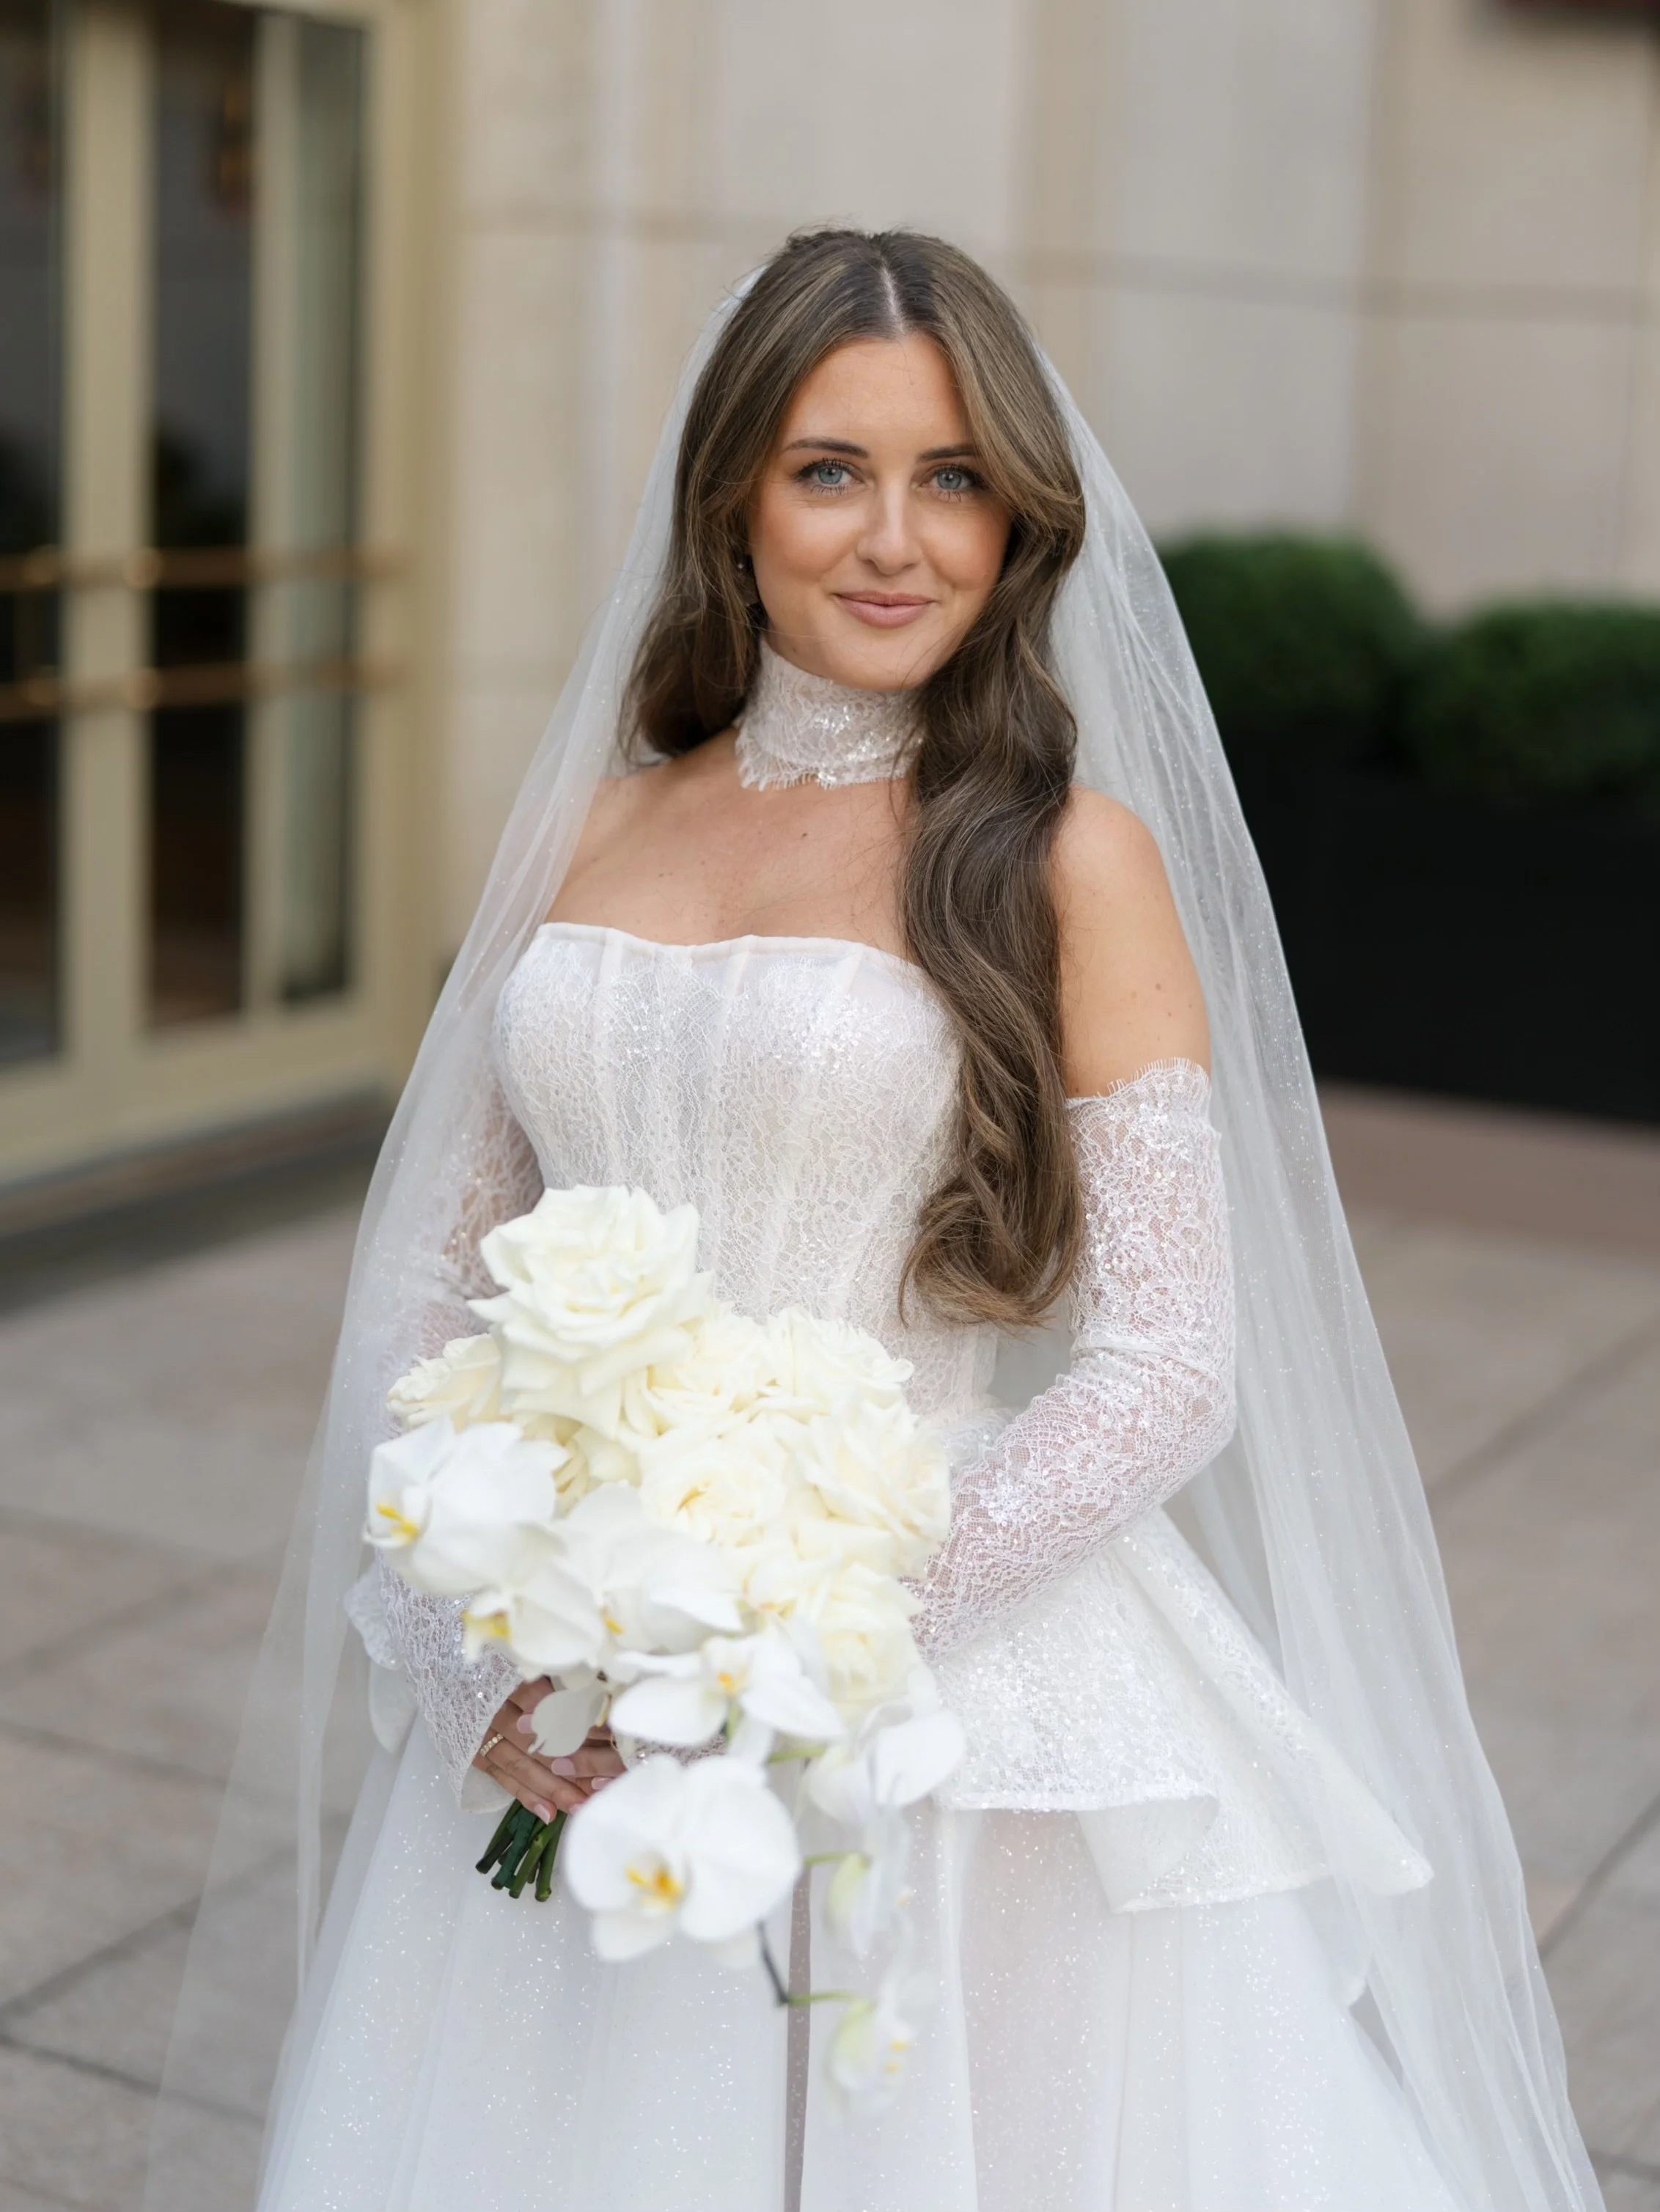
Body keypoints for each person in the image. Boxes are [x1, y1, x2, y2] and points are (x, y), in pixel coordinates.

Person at [150, 229, 1602, 2212]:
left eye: (954, 479)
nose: (895, 537)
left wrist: (805, 1641)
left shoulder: (1069, 858)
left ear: (1018, 523)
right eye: (832, 469)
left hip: (934, 1660)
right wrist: (461, 1628)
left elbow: (1173, 1364)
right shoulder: (594, 822)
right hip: (576, 1661)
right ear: (731, 498)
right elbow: (439, 1270)